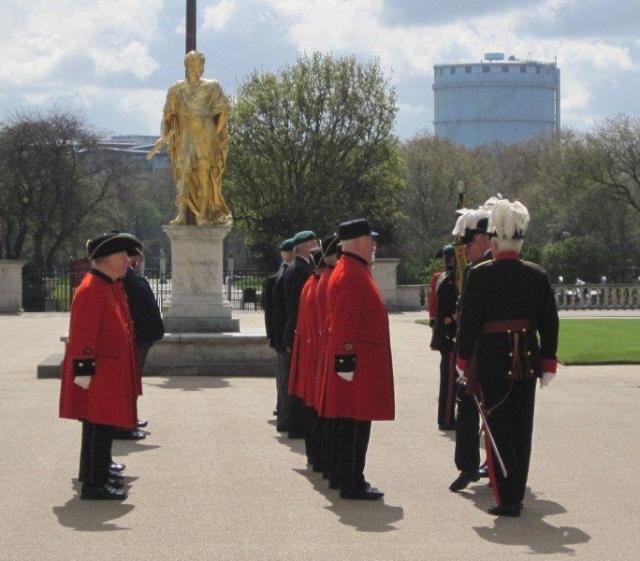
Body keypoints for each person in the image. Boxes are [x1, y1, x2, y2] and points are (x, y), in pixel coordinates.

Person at [456, 199, 559, 516]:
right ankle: (516, 491)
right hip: (526, 360)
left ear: (496, 241)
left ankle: (508, 497)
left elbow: (469, 324)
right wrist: (548, 361)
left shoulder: (480, 275)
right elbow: (550, 322)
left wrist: (462, 361)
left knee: (498, 430)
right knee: (520, 429)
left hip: (492, 362)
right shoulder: (536, 275)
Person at [59, 231, 141, 500]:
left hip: (107, 372)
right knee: (99, 426)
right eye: (123, 256)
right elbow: (84, 333)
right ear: (106, 259)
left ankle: (96, 475)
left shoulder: (105, 284)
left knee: (101, 426)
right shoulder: (93, 288)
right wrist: (84, 372)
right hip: (99, 374)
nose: (128, 261)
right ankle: (95, 484)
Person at [318, 219, 395, 500]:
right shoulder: (351, 274)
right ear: (359, 242)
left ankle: (346, 476)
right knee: (354, 423)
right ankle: (352, 480)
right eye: (370, 239)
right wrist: (346, 360)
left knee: (351, 422)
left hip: (359, 359)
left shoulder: (353, 270)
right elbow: (345, 322)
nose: (374, 244)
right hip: (358, 362)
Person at [150, 50, 231, 225]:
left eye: (201, 64)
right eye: (195, 64)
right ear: (187, 66)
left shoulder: (212, 87)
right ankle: (180, 214)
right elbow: (167, 118)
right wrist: (163, 136)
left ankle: (202, 215)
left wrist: (215, 134)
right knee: (183, 173)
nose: (199, 68)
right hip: (186, 138)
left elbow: (224, 111)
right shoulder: (176, 90)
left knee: (204, 175)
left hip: (206, 136)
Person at [449, 206, 493, 491]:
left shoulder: (484, 271)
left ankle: (478, 465)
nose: (466, 251)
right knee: (467, 410)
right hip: (475, 348)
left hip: (484, 351)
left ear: (484, 241)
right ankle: (470, 465)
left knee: (481, 411)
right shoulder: (473, 270)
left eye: (469, 244)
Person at [113, 242, 165, 440]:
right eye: (135, 257)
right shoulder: (122, 278)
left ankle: (129, 419)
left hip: (143, 335)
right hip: (136, 336)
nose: (137, 260)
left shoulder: (130, 275)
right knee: (127, 383)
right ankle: (123, 424)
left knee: (132, 382)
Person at [281, 230, 319, 438]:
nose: (316, 245)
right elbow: (298, 306)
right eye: (313, 242)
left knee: (297, 379)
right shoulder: (300, 269)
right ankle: (297, 425)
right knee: (299, 381)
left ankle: (297, 423)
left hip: (296, 328)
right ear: (304, 246)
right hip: (298, 329)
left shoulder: (301, 267)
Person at [288, 249, 323, 468]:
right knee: (319, 412)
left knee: (313, 408)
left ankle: (317, 456)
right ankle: (321, 459)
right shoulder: (317, 284)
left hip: (312, 351)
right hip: (318, 353)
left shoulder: (312, 282)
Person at [264, 239, 294, 417]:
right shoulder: (276, 277)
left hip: (281, 332)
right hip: (283, 332)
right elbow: (270, 311)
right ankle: (283, 407)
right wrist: (271, 334)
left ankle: (282, 405)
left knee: (283, 371)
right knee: (284, 372)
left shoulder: (277, 276)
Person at [431, 244, 457, 430]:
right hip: (450, 335)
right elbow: (446, 313)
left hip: (447, 334)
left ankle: (447, 416)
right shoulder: (449, 280)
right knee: (449, 381)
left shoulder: (447, 278)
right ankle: (447, 418)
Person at [272, 238, 295, 429]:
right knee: (285, 375)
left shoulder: (281, 274)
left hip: (282, 334)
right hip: (285, 335)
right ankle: (285, 415)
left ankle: (284, 411)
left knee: (284, 376)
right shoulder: (282, 275)